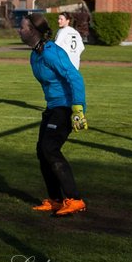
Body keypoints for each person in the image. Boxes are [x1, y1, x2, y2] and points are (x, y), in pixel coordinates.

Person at [20, 14, 88, 216]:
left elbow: (75, 77)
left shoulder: (51, 53)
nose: (19, 30)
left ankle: (75, 199)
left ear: (33, 30)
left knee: (50, 148)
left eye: (22, 27)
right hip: (52, 107)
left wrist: (78, 108)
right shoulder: (35, 55)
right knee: (42, 151)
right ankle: (56, 200)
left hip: (66, 107)